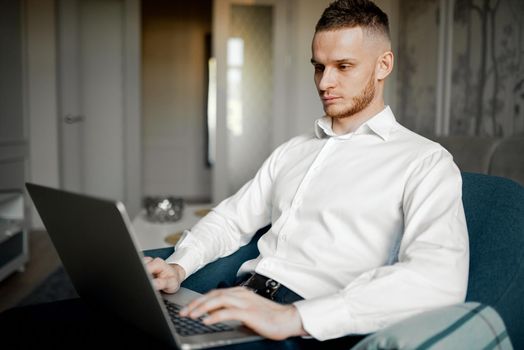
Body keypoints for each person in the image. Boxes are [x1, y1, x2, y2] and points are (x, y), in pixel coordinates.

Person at [145, 0, 469, 344]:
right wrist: (178, 267)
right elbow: (231, 220)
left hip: (309, 328)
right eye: (319, 67)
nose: (325, 82)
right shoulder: (293, 151)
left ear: (383, 65)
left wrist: (294, 317)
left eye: (343, 66)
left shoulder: (425, 161)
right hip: (237, 300)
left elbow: (439, 277)